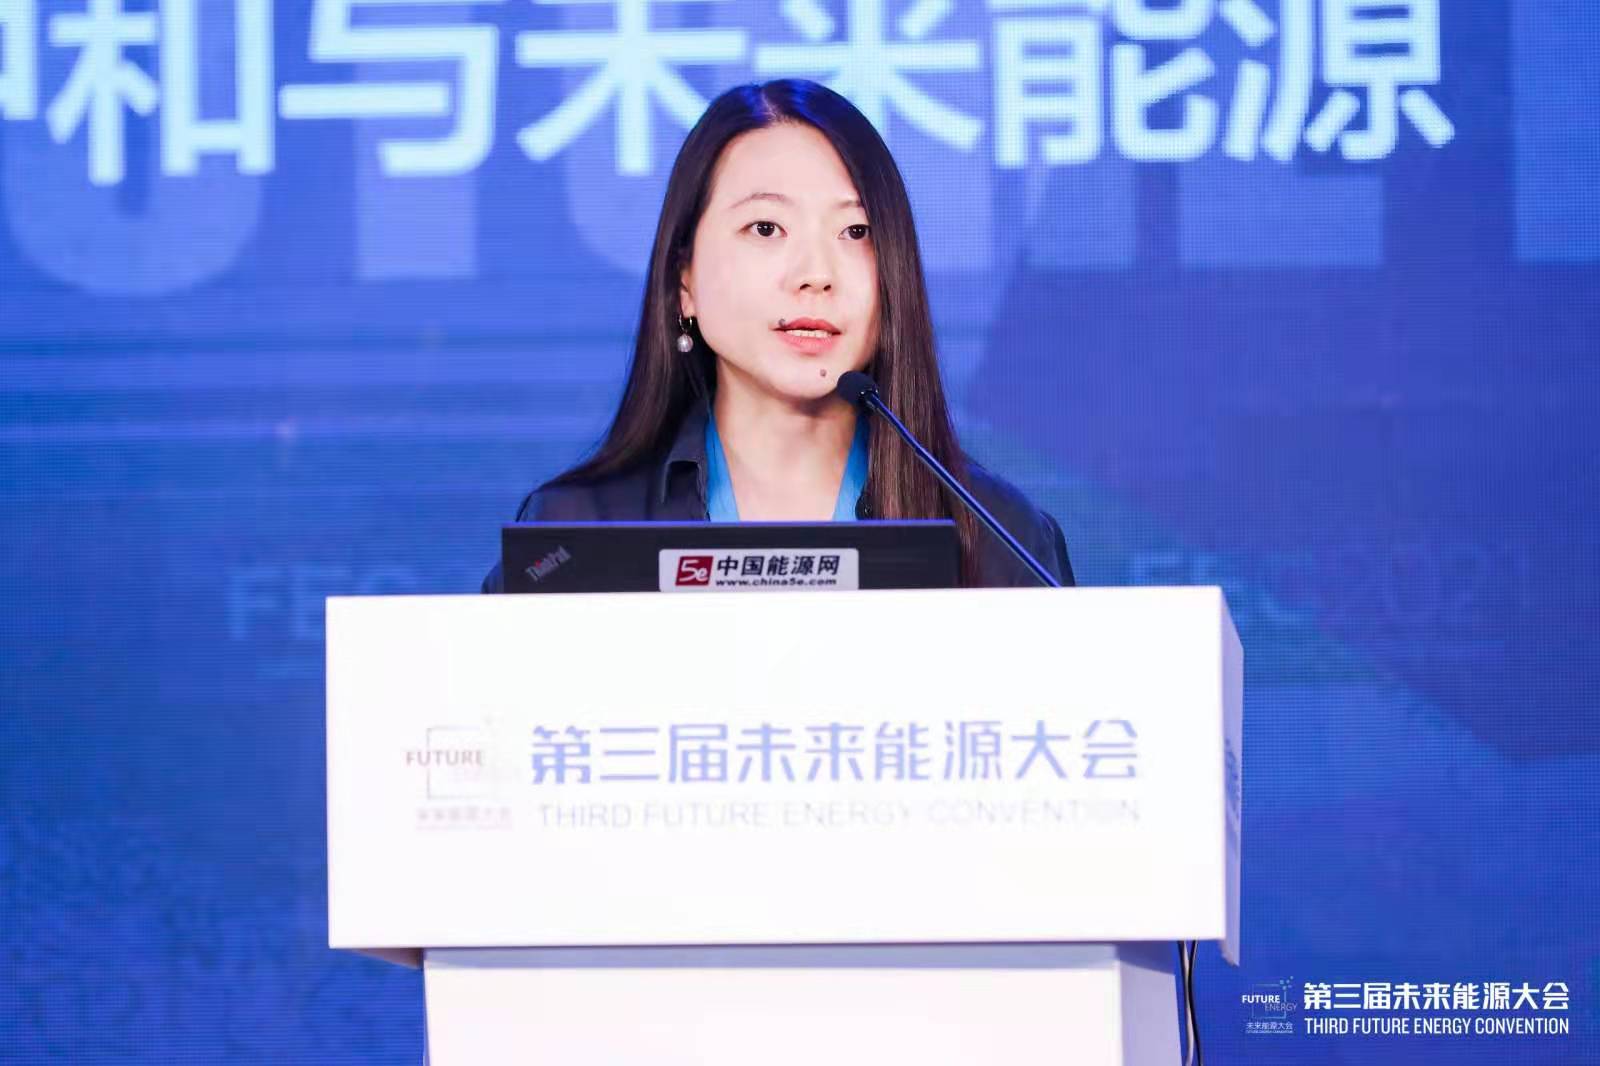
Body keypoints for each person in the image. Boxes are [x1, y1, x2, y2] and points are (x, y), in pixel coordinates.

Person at [482, 78, 1073, 591]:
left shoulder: (999, 538)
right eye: (766, 228)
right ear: (684, 280)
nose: (815, 274)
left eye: (856, 231)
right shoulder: (573, 533)